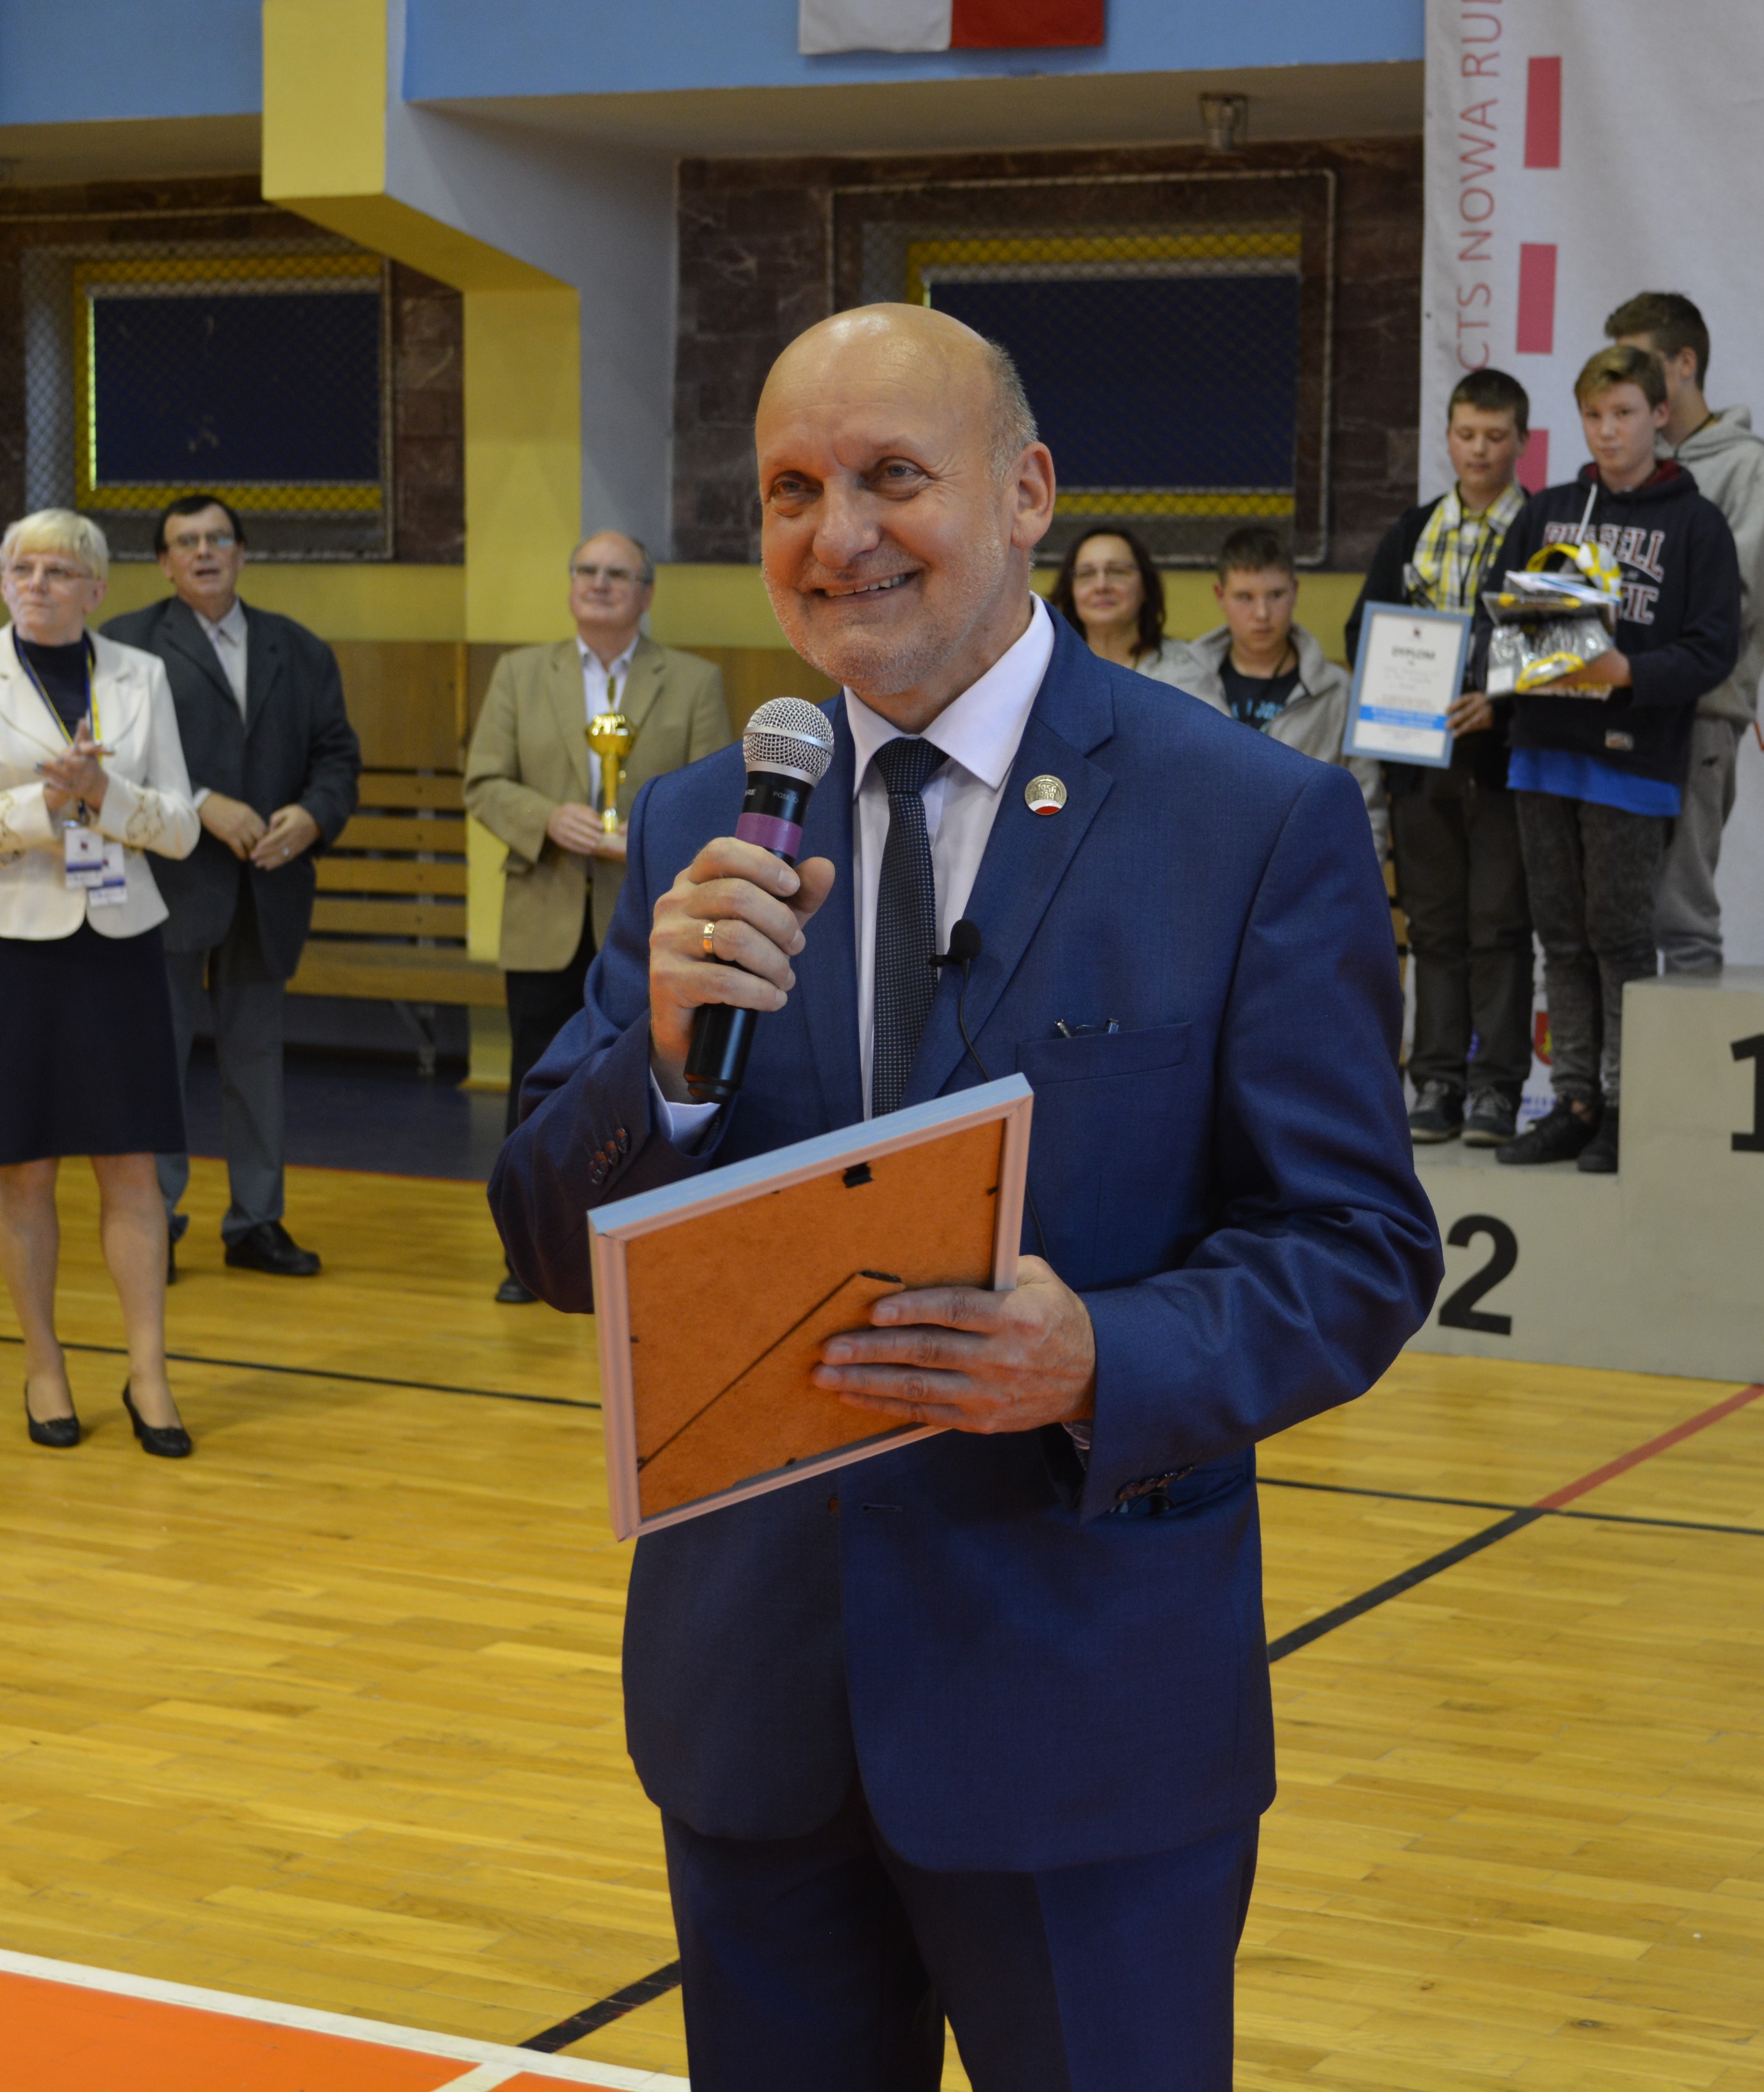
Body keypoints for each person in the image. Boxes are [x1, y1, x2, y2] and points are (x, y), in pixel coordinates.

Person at [487, 304, 1437, 2088]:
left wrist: (1105, 1358)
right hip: (754, 1715)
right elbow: (545, 1237)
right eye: (791, 490)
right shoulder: (703, 825)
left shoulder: (1249, 824)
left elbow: (1360, 1250)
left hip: (1084, 1721)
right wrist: (663, 1063)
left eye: (892, 477)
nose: (836, 533)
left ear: (1027, 496)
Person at [0, 510, 202, 1459]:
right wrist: (43, 803)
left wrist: (104, 796)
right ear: (3, 583)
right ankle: (44, 1362)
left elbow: (182, 827)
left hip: (118, 939)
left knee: (131, 1166)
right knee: (26, 1168)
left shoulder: (141, 675)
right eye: (23, 569)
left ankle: (149, 1371)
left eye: (60, 571)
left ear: (96, 589)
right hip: (9, 943)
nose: (38, 584)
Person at [1478, 342, 1740, 1175]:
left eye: (1624, 414)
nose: (1608, 430)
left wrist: (1628, 672)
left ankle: (1629, 1106)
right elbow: (1496, 615)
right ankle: (1575, 1100)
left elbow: (1714, 648)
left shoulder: (1697, 523)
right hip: (1542, 751)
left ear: (1659, 415)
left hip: (1631, 757)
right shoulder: (1549, 511)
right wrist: (1513, 662)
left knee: (1620, 936)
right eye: (1593, 416)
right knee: (1560, 935)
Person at [463, 531, 732, 1304]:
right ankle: (529, 1254)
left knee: (641, 1078)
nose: (600, 583)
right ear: (570, 584)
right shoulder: (521, 673)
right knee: (535, 1081)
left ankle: (643, 1239)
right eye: (587, 570)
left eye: (619, 573)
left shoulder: (694, 680)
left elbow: (715, 794)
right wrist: (549, 819)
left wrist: (643, 836)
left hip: (650, 919)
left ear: (647, 592)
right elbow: (484, 782)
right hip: (544, 907)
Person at [101, 493, 360, 1282]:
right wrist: (201, 803)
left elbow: (337, 756)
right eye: (187, 541)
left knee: (256, 1063)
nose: (204, 551)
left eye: (218, 538)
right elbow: (110, 764)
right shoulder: (126, 646)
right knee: (159, 1062)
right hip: (167, 883)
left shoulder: (298, 648)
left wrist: (313, 817)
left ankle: (256, 1221)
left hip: (268, 884)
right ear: (164, 563)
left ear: (243, 553)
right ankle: (156, 1223)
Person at [1346, 367, 1535, 1146]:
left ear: (1522, 441)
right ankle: (1435, 1081)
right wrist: (1400, 690)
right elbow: (1362, 633)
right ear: (1448, 439)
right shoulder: (1412, 530)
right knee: (1432, 928)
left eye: (1495, 437)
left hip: (1501, 763)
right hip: (1418, 759)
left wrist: (1502, 701)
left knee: (1499, 925)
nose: (1479, 450)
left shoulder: (1544, 534)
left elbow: (1558, 646)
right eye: (1466, 435)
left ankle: (1497, 1088)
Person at [1604, 291, 1764, 976]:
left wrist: (1645, 662)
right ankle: (1621, 1052)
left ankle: (1684, 1051)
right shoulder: (1628, 464)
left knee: (1681, 915)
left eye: (1639, 362)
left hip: (1699, 711)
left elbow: (1736, 600)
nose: (1626, 382)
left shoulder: (1744, 463)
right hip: (1617, 706)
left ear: (1684, 363)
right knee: (1617, 914)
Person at [1177, 525, 1384, 845]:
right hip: (1205, 861)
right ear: (1220, 596)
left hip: (1306, 865)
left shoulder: (1339, 691)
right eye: (1245, 597)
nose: (1262, 614)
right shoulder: (1184, 685)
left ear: (1295, 591)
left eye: (1275, 595)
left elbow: (1366, 808)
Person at [1043, 523, 1201, 688]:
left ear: (1146, 586)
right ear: (1070, 590)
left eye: (1117, 571)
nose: (1101, 586)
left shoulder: (1189, 666)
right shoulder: (1048, 669)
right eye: (1086, 574)